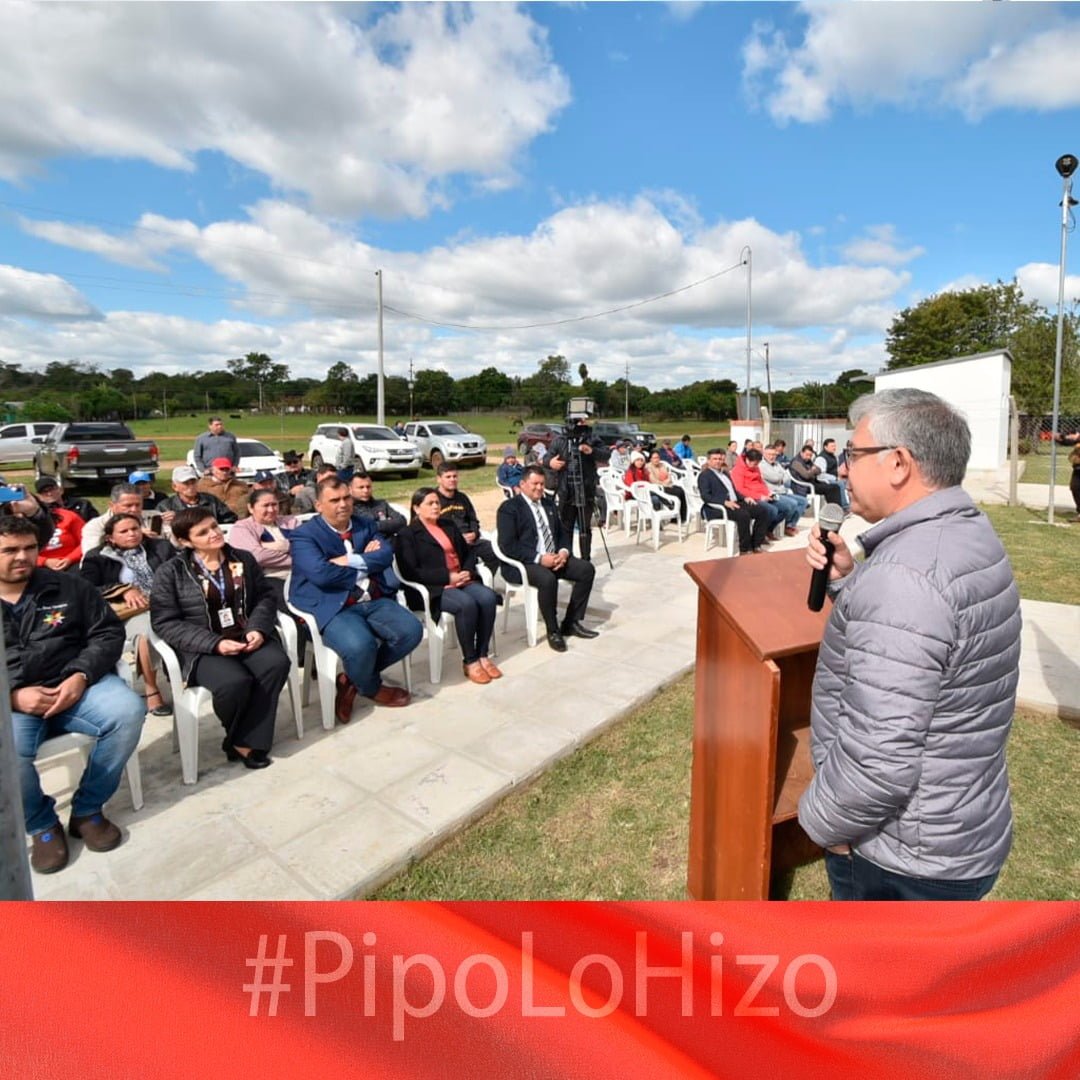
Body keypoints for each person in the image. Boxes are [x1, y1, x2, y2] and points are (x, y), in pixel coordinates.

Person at [798, 389, 1021, 901]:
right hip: (958, 826)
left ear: (898, 463)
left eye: (853, 454)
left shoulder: (906, 577)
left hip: (904, 857)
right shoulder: (962, 533)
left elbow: (877, 764)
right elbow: (926, 641)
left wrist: (822, 825)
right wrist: (849, 583)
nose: (843, 468)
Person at [2, 515, 145, 874]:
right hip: (14, 705)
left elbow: (107, 633)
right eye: (9, 550)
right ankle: (41, 823)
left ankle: (87, 809)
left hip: (76, 685)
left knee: (127, 711)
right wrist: (12, 696)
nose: (22, 557)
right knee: (7, 753)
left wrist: (81, 675)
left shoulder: (68, 586)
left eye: (29, 548)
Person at [150, 506, 290, 770]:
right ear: (185, 541)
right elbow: (165, 622)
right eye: (203, 532)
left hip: (246, 635)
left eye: (214, 526)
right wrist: (214, 643)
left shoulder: (243, 558)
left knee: (276, 663)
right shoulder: (171, 572)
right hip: (202, 647)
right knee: (233, 683)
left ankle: (242, 741)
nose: (214, 533)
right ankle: (245, 740)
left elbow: (265, 596)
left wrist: (258, 628)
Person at [288, 477, 422, 721]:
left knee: (412, 631)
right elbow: (321, 575)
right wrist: (365, 564)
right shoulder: (304, 536)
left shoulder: (365, 524)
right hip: (332, 606)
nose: (343, 504)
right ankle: (371, 687)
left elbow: (385, 555)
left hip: (372, 598)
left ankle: (351, 679)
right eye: (334, 500)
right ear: (318, 505)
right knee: (362, 646)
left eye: (346, 498)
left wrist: (349, 560)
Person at [395, 487, 501, 684]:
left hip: (462, 579)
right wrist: (447, 577)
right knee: (466, 604)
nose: (436, 506)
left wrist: (467, 570)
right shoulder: (407, 534)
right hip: (433, 587)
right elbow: (410, 571)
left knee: (487, 598)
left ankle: (482, 655)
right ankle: (470, 661)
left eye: (437, 502)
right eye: (430, 503)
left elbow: (468, 553)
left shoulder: (448, 525)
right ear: (416, 508)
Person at [80, 513, 175, 717]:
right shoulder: (96, 557)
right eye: (124, 531)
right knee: (146, 633)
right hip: (132, 610)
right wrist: (122, 589)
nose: (132, 534)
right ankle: (151, 689)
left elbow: (179, 571)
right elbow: (87, 589)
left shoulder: (160, 547)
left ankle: (186, 675)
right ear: (110, 537)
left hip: (167, 603)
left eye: (135, 528)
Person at [495, 465, 598, 652]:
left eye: (542, 484)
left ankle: (571, 622)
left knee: (586, 569)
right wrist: (539, 558)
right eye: (535, 484)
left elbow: (562, 533)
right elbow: (508, 546)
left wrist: (564, 552)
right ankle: (553, 630)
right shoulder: (509, 509)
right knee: (547, 579)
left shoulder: (549, 504)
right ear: (522, 484)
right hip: (524, 563)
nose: (539, 488)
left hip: (553, 557)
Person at [226, 488, 301, 610]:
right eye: (265, 506)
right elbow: (257, 557)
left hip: (301, 574)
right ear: (251, 508)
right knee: (291, 605)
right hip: (269, 578)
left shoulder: (291, 522)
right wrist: (295, 557)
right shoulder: (242, 527)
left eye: (274, 505)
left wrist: (274, 546)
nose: (271, 510)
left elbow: (308, 547)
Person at [548, 415, 607, 561]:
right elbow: (546, 458)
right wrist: (550, 462)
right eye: (577, 421)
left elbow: (606, 454)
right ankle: (568, 558)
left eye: (582, 421)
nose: (581, 424)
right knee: (566, 527)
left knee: (584, 527)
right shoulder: (560, 439)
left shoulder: (591, 438)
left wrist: (591, 451)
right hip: (566, 490)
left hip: (585, 490)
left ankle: (585, 560)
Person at [697, 448, 770, 554]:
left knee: (762, 511)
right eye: (715, 459)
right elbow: (705, 496)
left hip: (735, 503)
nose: (718, 461)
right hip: (718, 508)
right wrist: (724, 502)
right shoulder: (705, 476)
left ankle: (756, 544)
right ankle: (745, 549)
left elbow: (734, 491)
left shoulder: (725, 474)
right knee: (743, 515)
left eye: (720, 459)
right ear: (708, 460)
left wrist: (745, 498)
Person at [435, 463, 499, 573]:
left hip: (471, 542)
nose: (452, 480)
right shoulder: (433, 500)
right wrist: (457, 539)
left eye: (455, 476)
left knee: (494, 551)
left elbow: (473, 520)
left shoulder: (462, 498)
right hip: (449, 545)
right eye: (448, 477)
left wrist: (474, 533)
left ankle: (485, 579)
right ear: (439, 479)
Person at [158, 465, 237, 531]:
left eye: (193, 482)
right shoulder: (165, 506)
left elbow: (230, 519)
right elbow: (158, 531)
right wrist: (176, 521)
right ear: (175, 486)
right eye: (186, 483)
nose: (191, 486)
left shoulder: (211, 500)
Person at [79, 482, 146, 554]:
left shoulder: (151, 520)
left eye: (138, 505)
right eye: (128, 505)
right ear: (112, 506)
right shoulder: (95, 526)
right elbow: (91, 556)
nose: (134, 510)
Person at [759, 445, 807, 534]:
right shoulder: (761, 465)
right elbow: (774, 478)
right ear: (764, 454)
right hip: (773, 493)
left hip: (783, 491)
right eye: (769, 454)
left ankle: (790, 525)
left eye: (774, 454)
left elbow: (787, 477)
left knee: (803, 501)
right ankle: (775, 527)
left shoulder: (777, 464)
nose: (772, 457)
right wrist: (780, 477)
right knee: (792, 503)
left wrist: (780, 478)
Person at [36, 494, 84, 571]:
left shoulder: (68, 516)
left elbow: (86, 541)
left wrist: (70, 559)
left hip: (73, 562)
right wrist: (44, 561)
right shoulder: (23, 521)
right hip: (39, 566)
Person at [350, 472, 407, 537]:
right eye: (361, 487)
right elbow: (361, 530)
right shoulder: (349, 510)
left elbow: (401, 521)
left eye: (368, 487)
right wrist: (388, 523)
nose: (366, 490)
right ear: (350, 489)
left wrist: (376, 525)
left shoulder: (381, 504)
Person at [33, 475, 98, 523]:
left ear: (61, 490)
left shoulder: (83, 504)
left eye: (51, 489)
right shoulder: (41, 513)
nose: (49, 494)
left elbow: (96, 523)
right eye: (44, 492)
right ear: (39, 496)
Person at [646, 449, 688, 522]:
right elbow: (653, 480)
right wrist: (664, 483)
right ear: (650, 459)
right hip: (658, 488)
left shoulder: (662, 465)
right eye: (654, 458)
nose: (656, 460)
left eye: (658, 457)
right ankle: (674, 514)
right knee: (677, 492)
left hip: (668, 484)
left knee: (681, 490)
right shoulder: (648, 467)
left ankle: (682, 515)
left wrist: (667, 481)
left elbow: (669, 476)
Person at [814, 438, 850, 508]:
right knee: (840, 484)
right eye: (832, 446)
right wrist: (835, 478)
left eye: (835, 446)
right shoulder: (821, 458)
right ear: (825, 447)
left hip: (834, 478)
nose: (834, 448)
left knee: (850, 483)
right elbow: (821, 475)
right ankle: (844, 506)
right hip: (824, 480)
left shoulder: (834, 457)